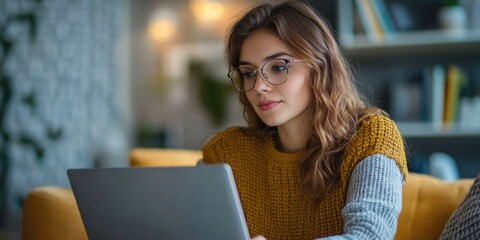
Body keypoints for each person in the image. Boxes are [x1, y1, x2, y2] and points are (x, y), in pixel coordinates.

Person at [202, 1, 408, 239]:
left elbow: (370, 235)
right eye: (249, 73)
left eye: (278, 67)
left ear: (319, 66)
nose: (259, 86)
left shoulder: (371, 136)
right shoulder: (226, 153)